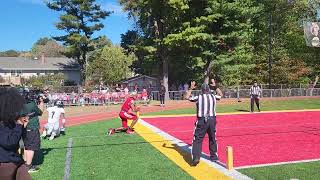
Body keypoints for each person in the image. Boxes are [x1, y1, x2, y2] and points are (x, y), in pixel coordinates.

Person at [185, 81, 221, 166]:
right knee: (212, 138)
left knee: (197, 139)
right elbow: (220, 95)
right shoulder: (213, 96)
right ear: (208, 89)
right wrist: (215, 86)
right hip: (212, 120)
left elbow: (187, 97)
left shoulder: (199, 97)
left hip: (202, 120)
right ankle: (214, 156)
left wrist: (191, 88)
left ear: (201, 90)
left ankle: (196, 157)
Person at [0, 87, 32, 180]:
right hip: (5, 163)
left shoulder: (8, 120)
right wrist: (18, 125)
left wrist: (23, 125)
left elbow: (20, 141)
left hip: (15, 160)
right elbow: (9, 142)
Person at [22, 92, 44, 173]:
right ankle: (28, 166)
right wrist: (41, 102)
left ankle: (25, 163)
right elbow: (40, 112)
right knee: (31, 148)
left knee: (26, 146)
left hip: (23, 128)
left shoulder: (19, 105)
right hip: (31, 128)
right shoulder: (31, 104)